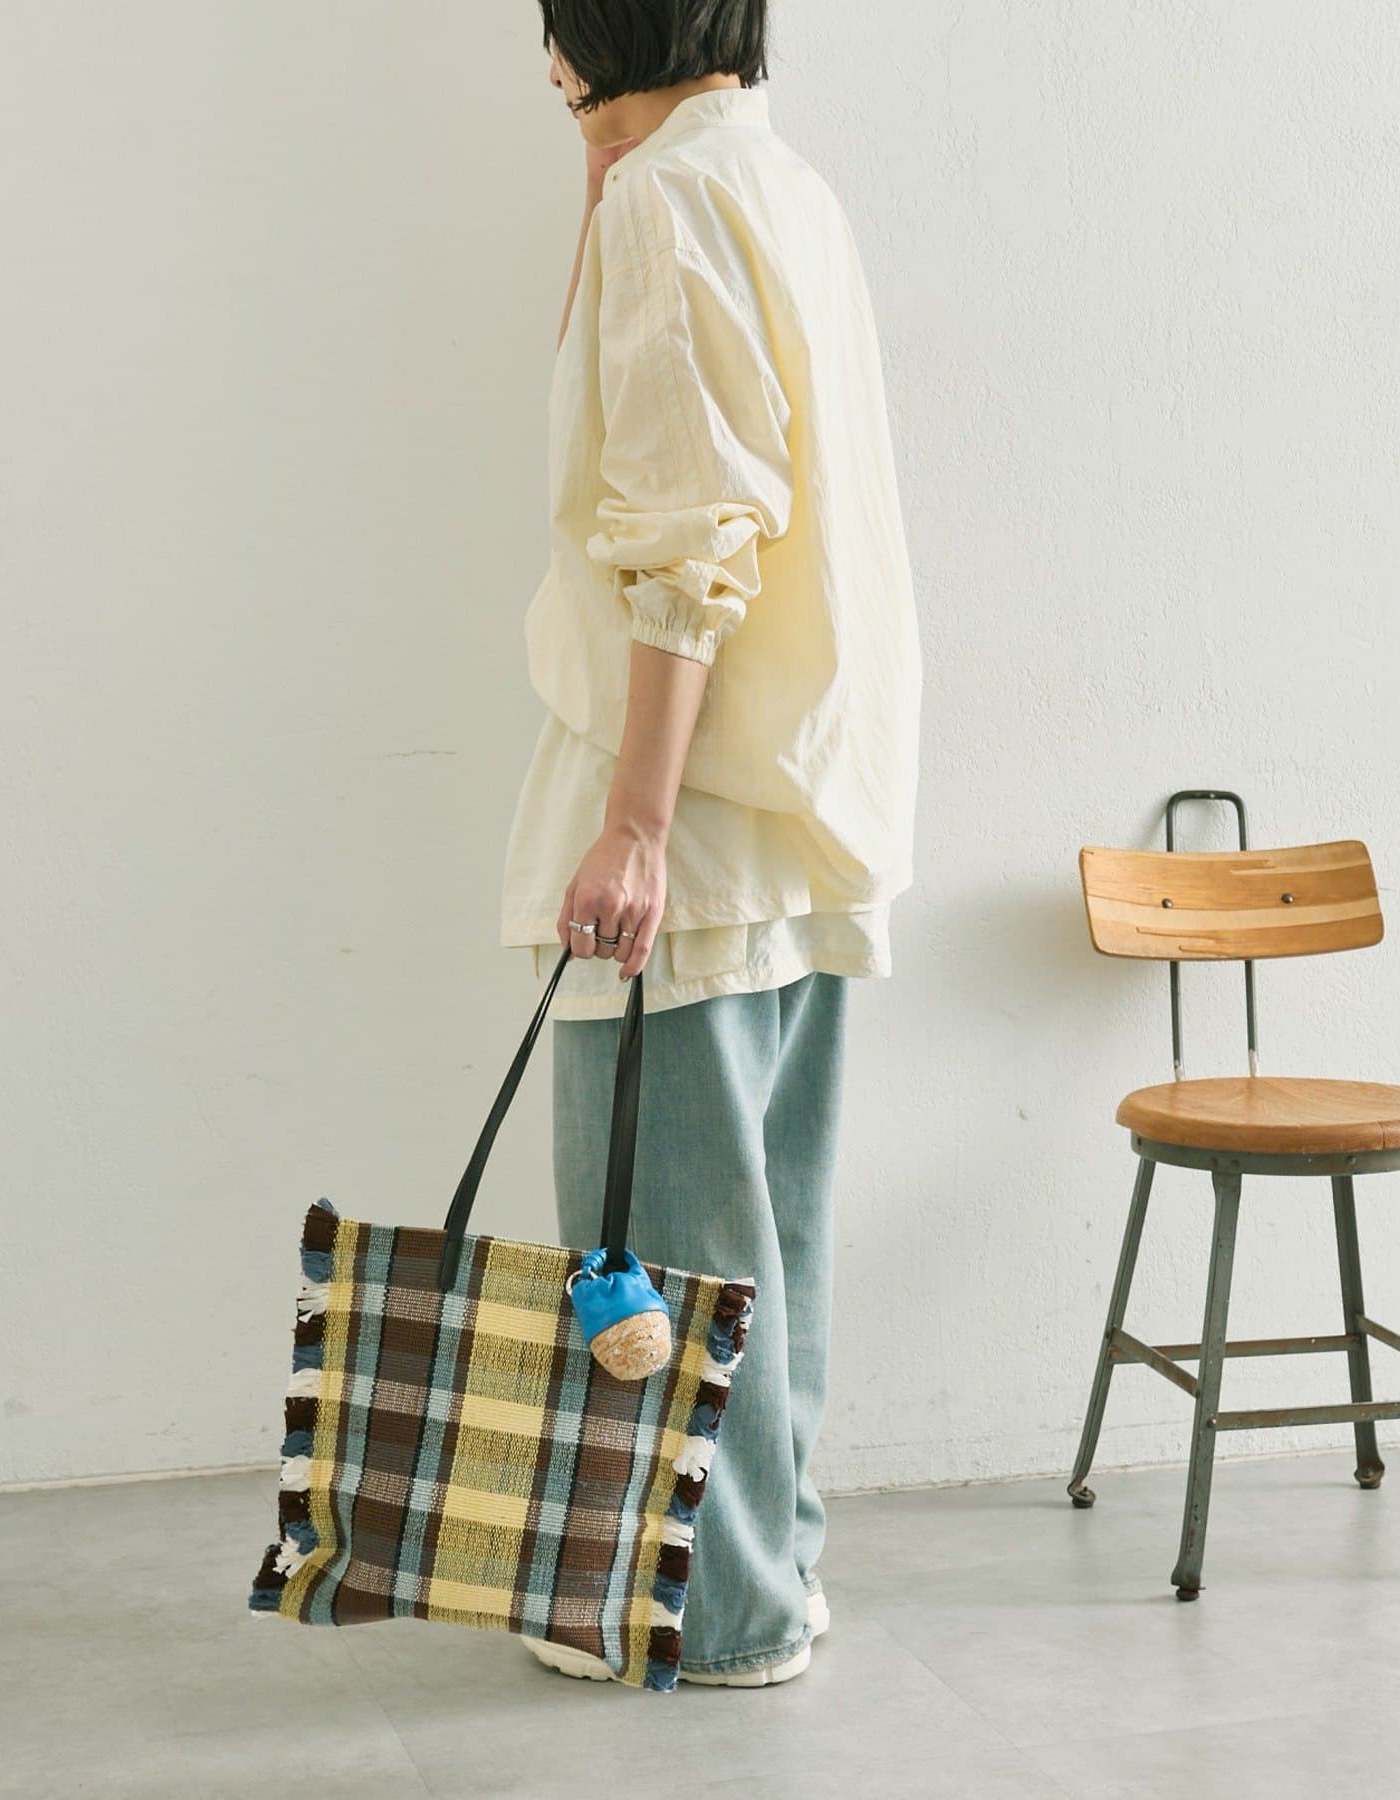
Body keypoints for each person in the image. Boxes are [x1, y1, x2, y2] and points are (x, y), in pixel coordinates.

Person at [500, 0, 922, 1687]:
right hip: (801, 808)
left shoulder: (671, 202)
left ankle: (707, 1612)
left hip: (691, 829)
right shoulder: (773, 186)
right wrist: (602, 165)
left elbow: (685, 535)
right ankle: (770, 1577)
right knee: (769, 1244)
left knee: (663, 1255)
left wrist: (631, 826)